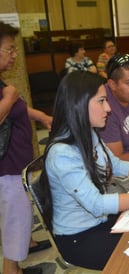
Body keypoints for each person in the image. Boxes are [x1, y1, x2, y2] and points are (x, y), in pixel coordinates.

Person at [40, 71, 129, 270]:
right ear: (79, 104)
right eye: (101, 101)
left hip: (100, 222)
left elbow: (114, 164)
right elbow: (97, 204)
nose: (107, 108)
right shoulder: (62, 154)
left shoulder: (88, 132)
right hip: (79, 239)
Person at [0, 21, 53, 274]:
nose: (14, 55)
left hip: (16, 162)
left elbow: (18, 109)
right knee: (15, 216)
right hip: (6, 166)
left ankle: (19, 256)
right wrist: (10, 98)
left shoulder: (2, 82)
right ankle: (11, 269)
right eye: (9, 49)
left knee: (20, 213)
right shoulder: (5, 90)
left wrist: (41, 116)